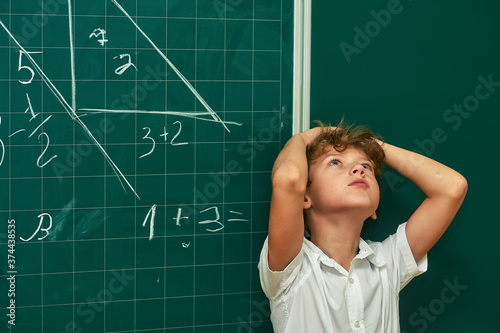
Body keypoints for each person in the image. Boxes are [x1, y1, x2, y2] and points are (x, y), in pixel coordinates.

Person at [258, 119, 467, 332]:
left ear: (373, 209)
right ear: (304, 197)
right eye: (335, 162)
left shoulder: (386, 263)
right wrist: (301, 139)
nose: (359, 168)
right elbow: (288, 178)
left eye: (366, 165)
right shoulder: (293, 268)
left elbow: (451, 188)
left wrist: (373, 146)